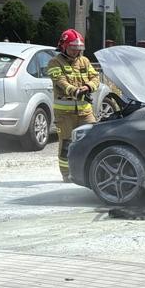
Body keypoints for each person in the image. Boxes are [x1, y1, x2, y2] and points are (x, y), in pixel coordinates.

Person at [46, 28, 99, 181]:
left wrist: (88, 87)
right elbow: (60, 81)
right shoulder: (54, 62)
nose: (76, 52)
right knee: (66, 143)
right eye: (72, 48)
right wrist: (74, 91)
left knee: (94, 138)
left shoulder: (84, 61)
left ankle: (91, 171)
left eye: (78, 49)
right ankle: (66, 174)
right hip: (64, 113)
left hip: (85, 111)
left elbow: (95, 78)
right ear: (63, 46)